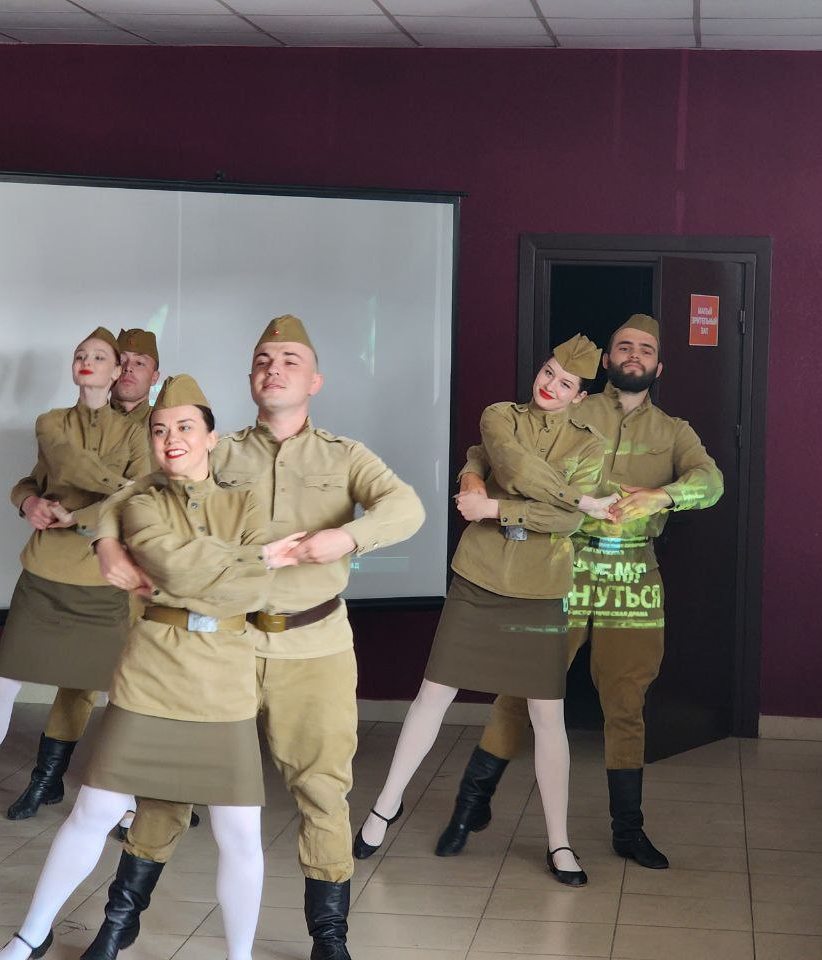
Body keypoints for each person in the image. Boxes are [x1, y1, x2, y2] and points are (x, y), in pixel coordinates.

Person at [79, 315, 425, 960]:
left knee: (322, 791)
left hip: (314, 648)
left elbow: (406, 508)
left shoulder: (345, 456)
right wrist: (105, 541)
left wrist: (347, 537)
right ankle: (117, 930)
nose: (275, 368)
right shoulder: (218, 448)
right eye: (264, 359)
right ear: (249, 378)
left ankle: (330, 940)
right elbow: (131, 493)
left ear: (315, 380)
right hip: (220, 649)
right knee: (168, 790)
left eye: (291, 360)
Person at [0, 374, 305, 960]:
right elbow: (179, 568)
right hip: (151, 674)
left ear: (211, 438)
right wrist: (248, 558)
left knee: (239, 832)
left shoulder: (248, 502)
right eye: (159, 430)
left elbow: (255, 591)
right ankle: (31, 934)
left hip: (223, 685)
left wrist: (221, 571)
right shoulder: (138, 502)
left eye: (185, 427)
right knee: (94, 810)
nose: (171, 439)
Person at [438, 313, 722, 870]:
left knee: (627, 703)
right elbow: (493, 450)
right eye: (624, 346)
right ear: (608, 361)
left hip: (633, 577)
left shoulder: (675, 431)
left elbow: (711, 482)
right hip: (558, 565)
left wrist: (663, 496)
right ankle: (469, 808)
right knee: (519, 692)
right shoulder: (571, 407)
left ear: (659, 366)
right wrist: (470, 475)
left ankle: (628, 830)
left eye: (645, 349)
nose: (634, 354)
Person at [353, 334, 612, 888]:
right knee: (432, 695)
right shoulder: (500, 416)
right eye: (548, 371)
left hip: (540, 588)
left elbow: (564, 520)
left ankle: (560, 842)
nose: (550, 385)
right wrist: (569, 496)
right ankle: (384, 807)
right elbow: (510, 464)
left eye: (565, 383)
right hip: (478, 577)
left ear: (580, 396)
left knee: (548, 717)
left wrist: (492, 504)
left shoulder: (591, 446)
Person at [0, 328, 149, 834]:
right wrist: (27, 501)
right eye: (80, 355)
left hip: (100, 583)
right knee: (2, 683)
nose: (87, 361)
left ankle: (126, 797)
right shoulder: (51, 422)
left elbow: (134, 503)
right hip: (43, 575)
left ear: (117, 371)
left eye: (99, 357)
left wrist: (82, 515)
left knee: (120, 696)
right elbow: (52, 472)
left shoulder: (136, 434)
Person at [10, 326, 164, 824]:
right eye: (126, 361)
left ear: (154, 375)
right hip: (89, 572)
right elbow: (36, 479)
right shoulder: (74, 421)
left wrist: (83, 512)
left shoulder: (164, 425)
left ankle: (150, 791)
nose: (130, 370)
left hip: (147, 573)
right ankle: (47, 777)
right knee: (78, 681)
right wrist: (27, 502)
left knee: (145, 682)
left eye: (141, 363)